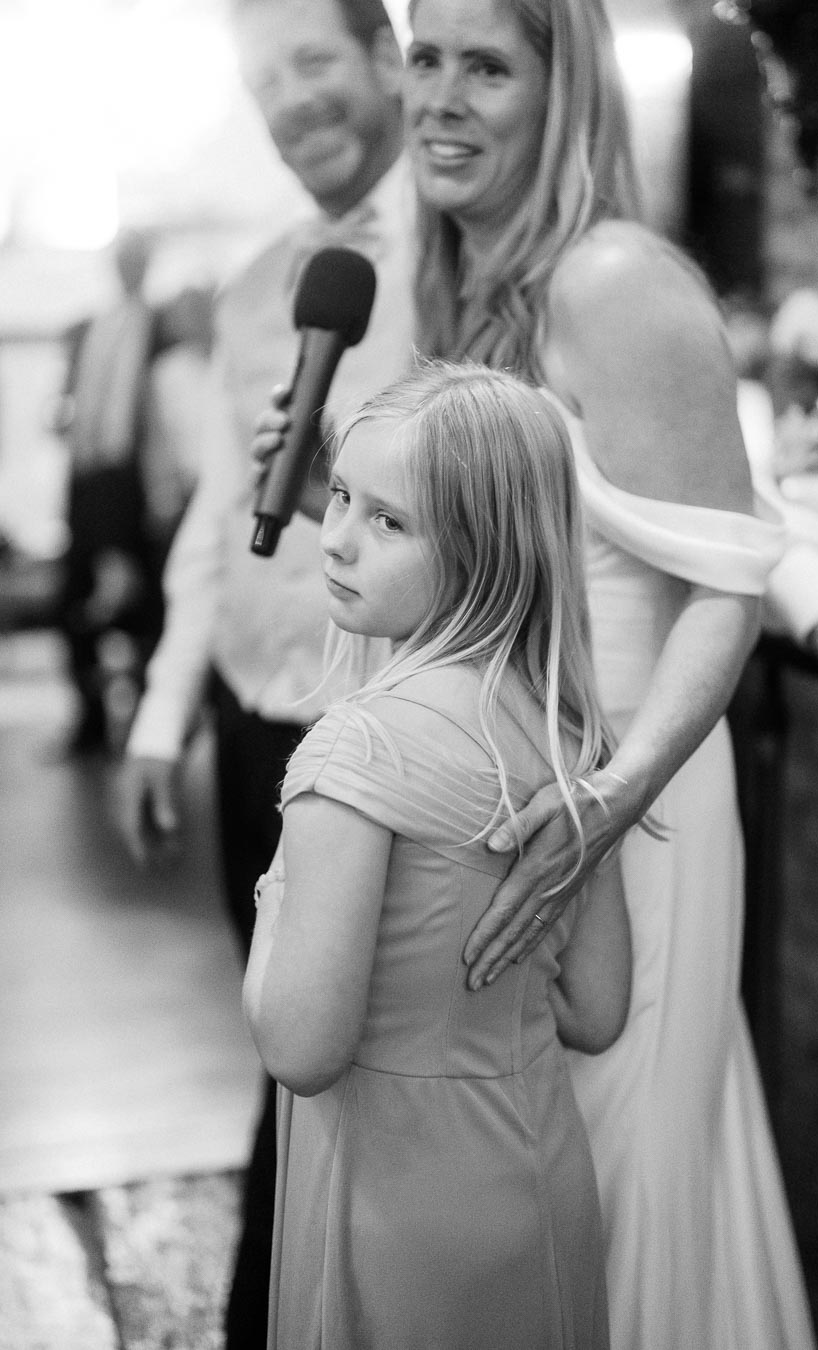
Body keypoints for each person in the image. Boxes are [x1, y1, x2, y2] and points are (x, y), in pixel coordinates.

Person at [398, 1, 817, 1345]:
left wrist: (610, 800)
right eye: (424, 58)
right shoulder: (448, 273)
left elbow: (728, 588)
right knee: (525, 1200)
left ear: (564, 91)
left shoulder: (616, 280)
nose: (441, 100)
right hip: (507, 809)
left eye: (486, 68)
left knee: (617, 1186)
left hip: (632, 811)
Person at [118, 2, 413, 1344]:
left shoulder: (478, 264)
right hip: (255, 725)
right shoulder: (256, 288)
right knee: (283, 1060)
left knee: (371, 1072)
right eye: (265, 79)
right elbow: (211, 528)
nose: (293, 101)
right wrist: (164, 714)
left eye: (315, 62)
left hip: (393, 742)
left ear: (385, 61)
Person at [243, 359, 631, 1349]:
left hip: (396, 1211)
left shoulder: (355, 751)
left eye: (388, 522)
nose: (334, 539)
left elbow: (301, 1047)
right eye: (338, 495)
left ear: (483, 549)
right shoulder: (573, 737)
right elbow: (596, 1011)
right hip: (536, 1184)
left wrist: (274, 895)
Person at [53, 228, 173, 755]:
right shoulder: (93, 327)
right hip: (88, 477)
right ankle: (91, 719)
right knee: (75, 602)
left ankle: (152, 720)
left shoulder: (162, 327)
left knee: (145, 609)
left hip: (134, 484)